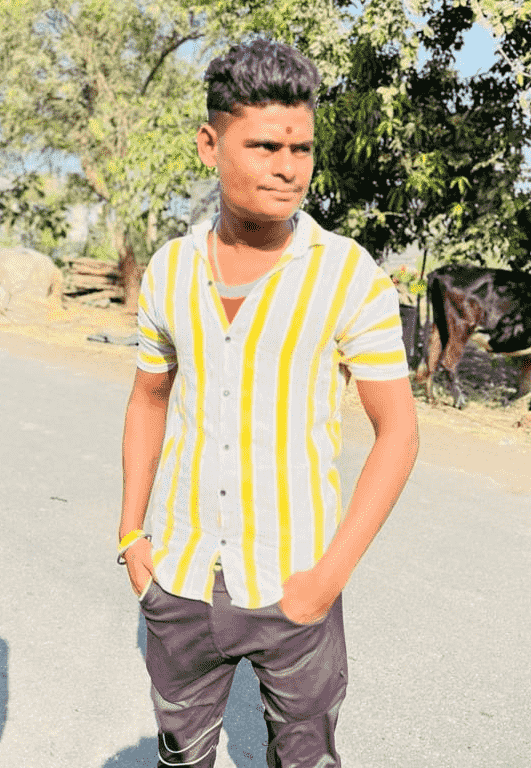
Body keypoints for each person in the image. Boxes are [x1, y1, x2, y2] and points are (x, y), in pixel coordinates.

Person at [117, 38, 418, 768]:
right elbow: (149, 398)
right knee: (179, 755)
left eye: (301, 149)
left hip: (296, 582)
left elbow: (398, 433)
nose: (289, 168)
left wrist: (326, 581)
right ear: (209, 145)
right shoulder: (170, 271)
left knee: (305, 758)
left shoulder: (348, 276)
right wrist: (131, 538)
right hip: (180, 581)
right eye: (264, 147)